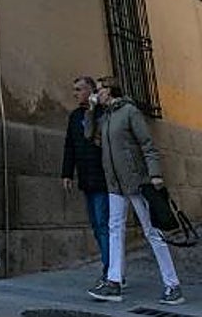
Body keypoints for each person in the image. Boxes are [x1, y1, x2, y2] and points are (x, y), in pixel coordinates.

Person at [87, 79, 184, 306]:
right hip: (114, 183)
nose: (96, 94)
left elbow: (147, 144)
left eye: (98, 90)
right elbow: (90, 136)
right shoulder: (106, 117)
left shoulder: (130, 112)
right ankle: (113, 282)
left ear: (109, 91)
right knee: (114, 229)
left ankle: (173, 285)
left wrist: (155, 174)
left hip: (136, 181)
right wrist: (92, 110)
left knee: (152, 232)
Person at [61, 76, 112, 286]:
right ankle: (110, 268)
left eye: (79, 89)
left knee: (102, 224)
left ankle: (111, 271)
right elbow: (70, 145)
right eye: (74, 90)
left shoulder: (102, 112)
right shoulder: (74, 117)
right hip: (86, 177)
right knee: (96, 224)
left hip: (102, 177)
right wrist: (66, 173)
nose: (75, 93)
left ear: (90, 90)